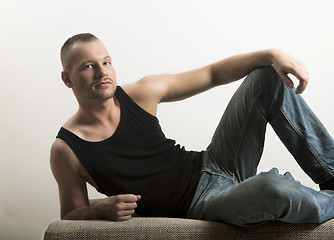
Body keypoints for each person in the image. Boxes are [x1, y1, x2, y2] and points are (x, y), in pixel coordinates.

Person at [50, 33, 334, 227]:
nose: (102, 72)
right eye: (88, 66)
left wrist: (272, 53)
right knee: (273, 188)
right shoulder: (67, 149)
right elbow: (70, 214)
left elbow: (212, 74)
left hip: (215, 162)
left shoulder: (139, 93)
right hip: (201, 204)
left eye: (106, 61)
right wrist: (98, 209)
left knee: (266, 77)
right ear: (67, 78)